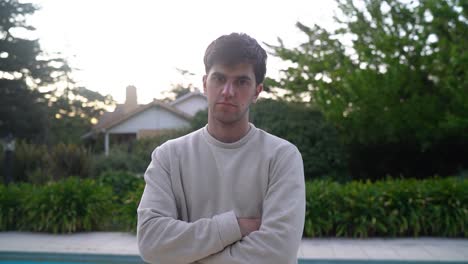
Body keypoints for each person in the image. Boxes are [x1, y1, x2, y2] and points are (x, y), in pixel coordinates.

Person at [137, 33, 305, 264]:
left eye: (241, 82)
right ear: (205, 84)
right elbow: (151, 242)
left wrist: (185, 254)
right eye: (219, 79)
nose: (228, 91)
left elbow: (278, 253)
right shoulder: (168, 156)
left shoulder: (282, 157)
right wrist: (234, 226)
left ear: (257, 91)